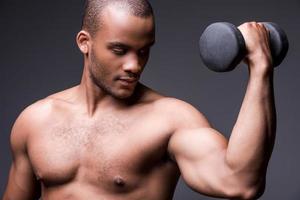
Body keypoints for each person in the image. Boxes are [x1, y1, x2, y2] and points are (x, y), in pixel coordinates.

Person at [2, 0, 276, 199]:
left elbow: (240, 183)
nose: (134, 65)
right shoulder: (35, 121)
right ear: (85, 42)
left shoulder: (170, 121)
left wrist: (260, 69)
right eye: (120, 50)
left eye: (143, 51)